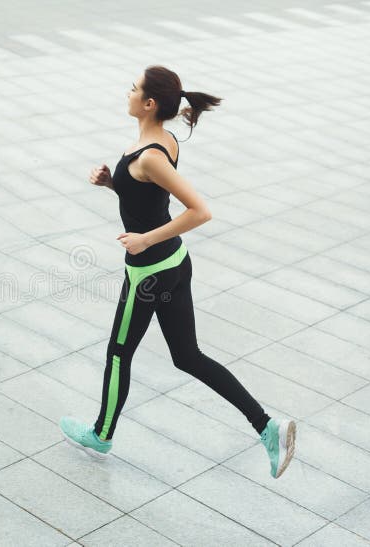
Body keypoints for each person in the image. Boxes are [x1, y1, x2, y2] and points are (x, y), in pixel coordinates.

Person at [59, 65, 296, 479]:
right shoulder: (162, 142)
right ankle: (267, 426)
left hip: (149, 272)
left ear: (149, 103)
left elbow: (200, 211)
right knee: (187, 356)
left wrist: (145, 240)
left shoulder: (151, 155)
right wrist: (113, 185)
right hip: (174, 264)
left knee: (118, 354)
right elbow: (149, 200)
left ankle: (101, 434)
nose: (127, 92)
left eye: (133, 88)